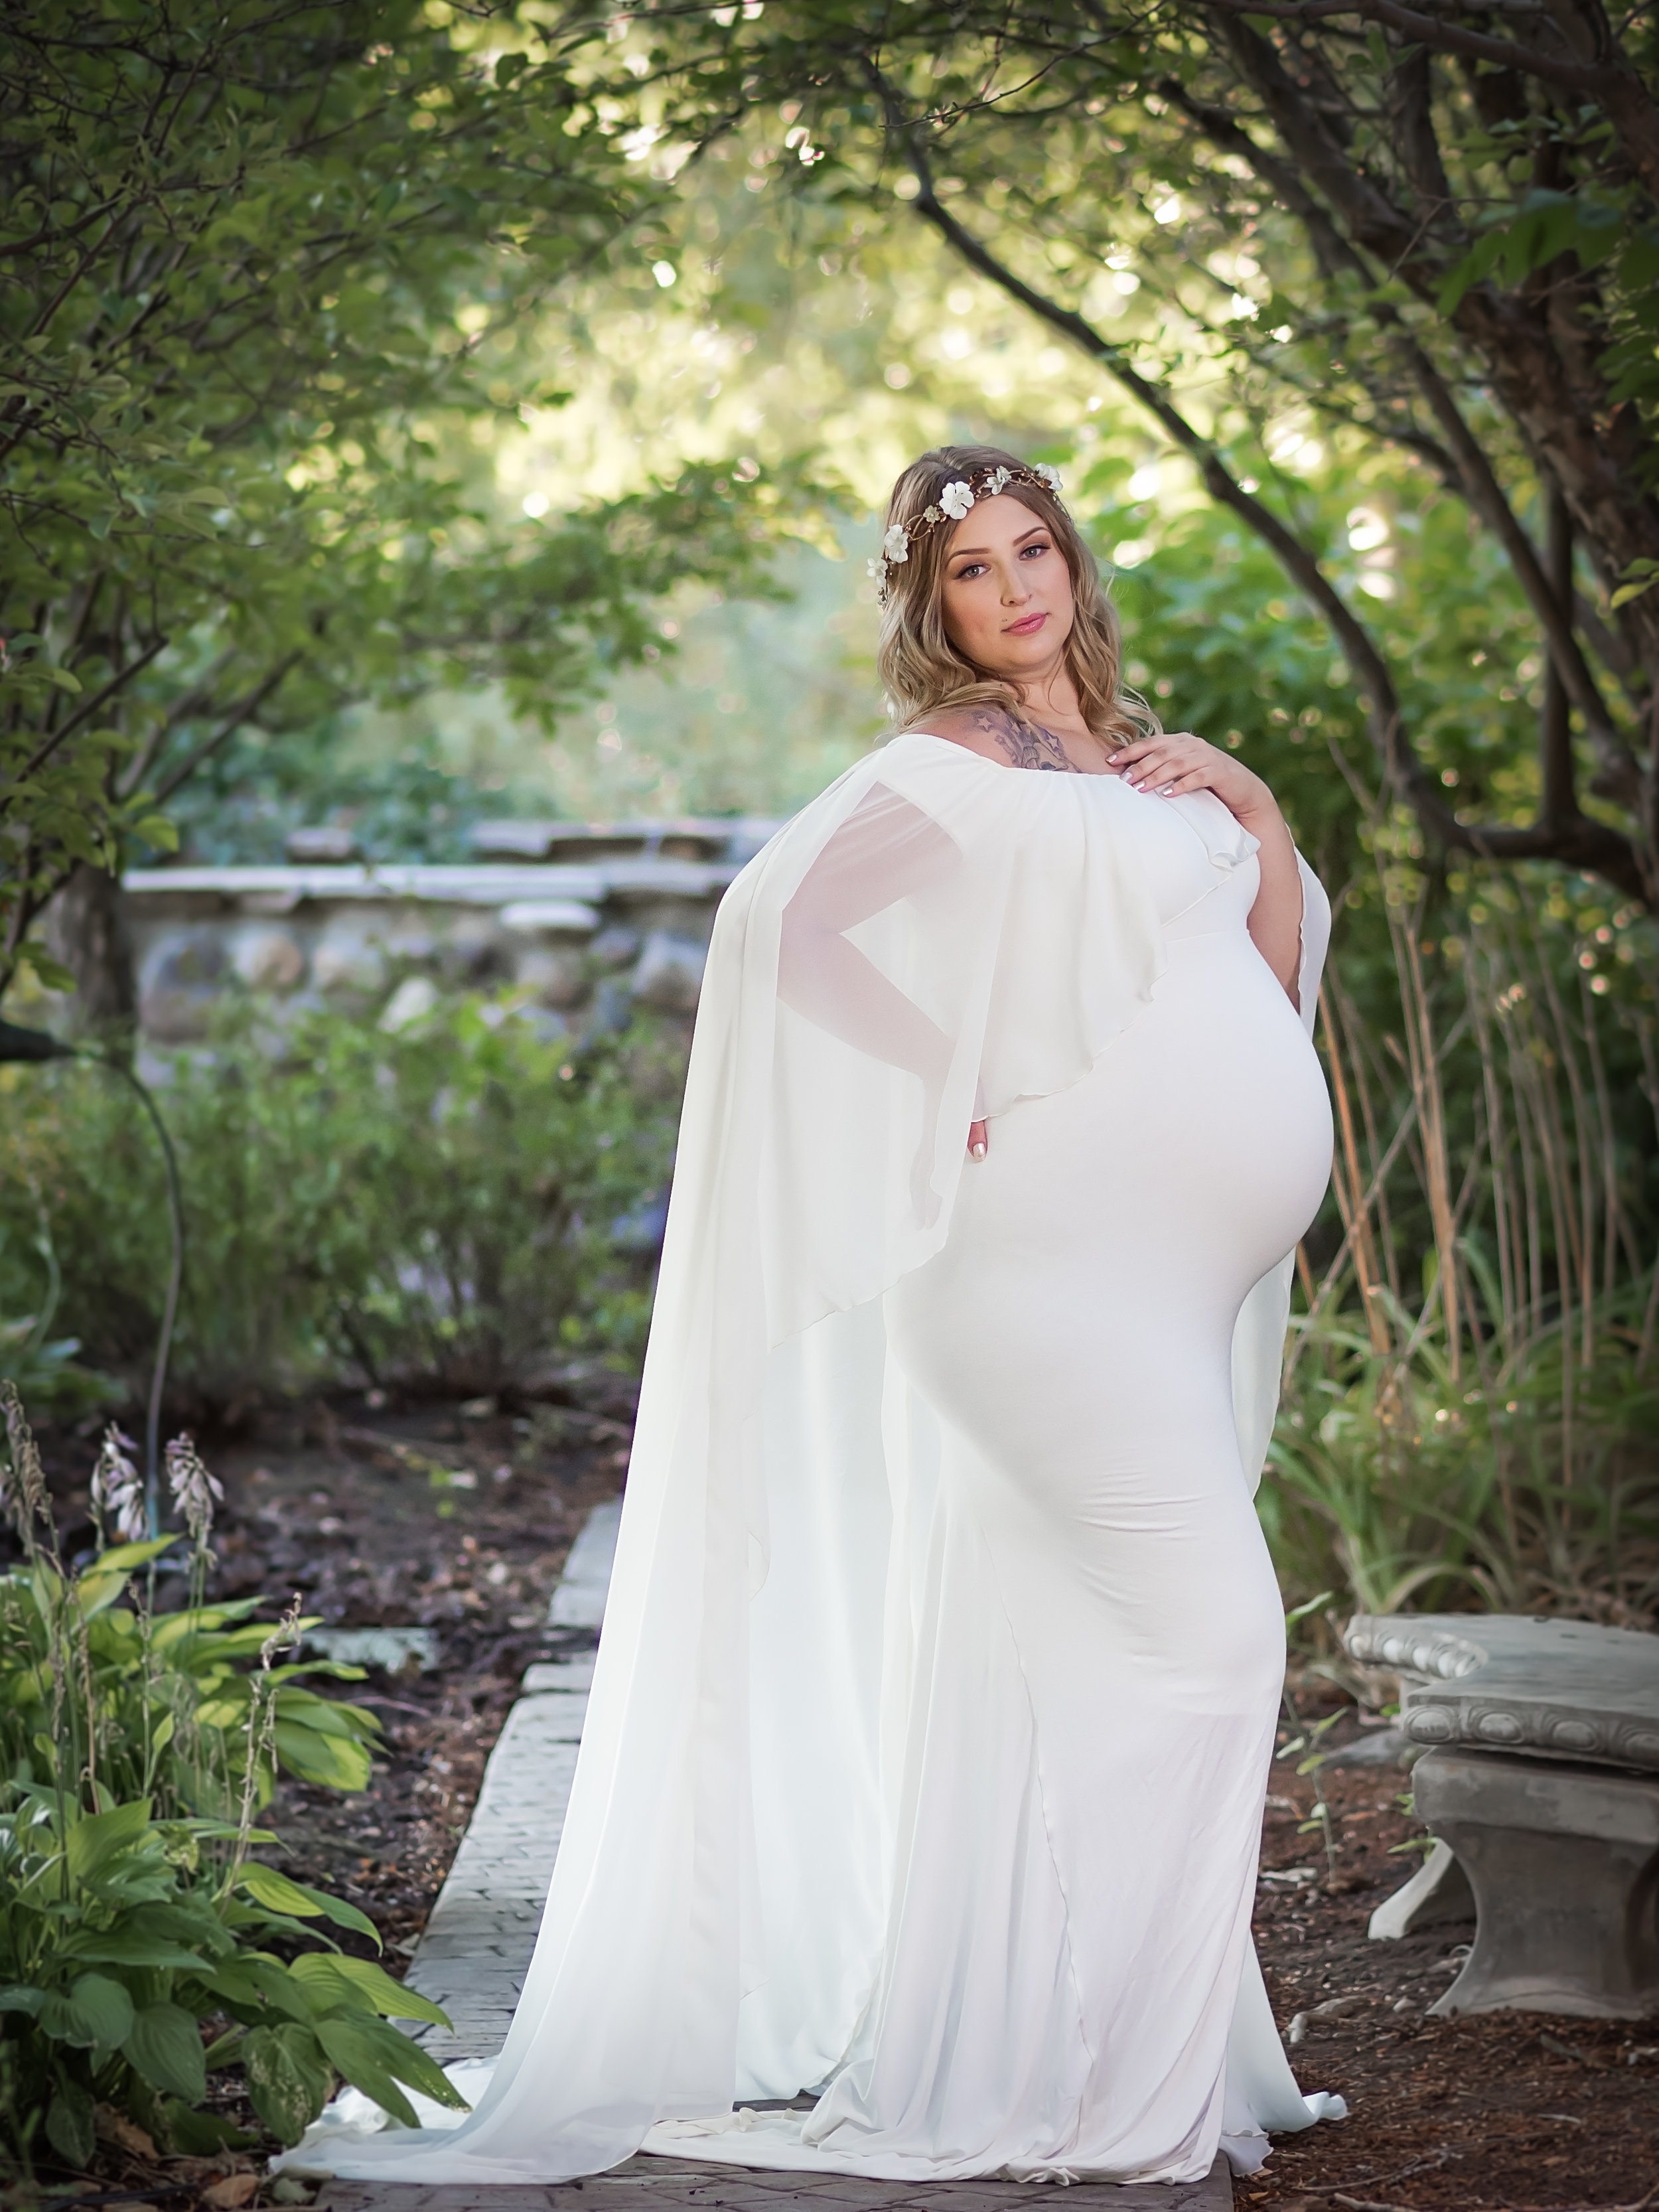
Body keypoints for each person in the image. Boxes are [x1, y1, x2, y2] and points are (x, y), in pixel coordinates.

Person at [291, 444, 1343, 2188]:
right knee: (1221, 1643)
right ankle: (1129, 2110)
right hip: (1039, 1286)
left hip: (1163, 1284)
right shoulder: (951, 763)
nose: (1014, 590)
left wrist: (1256, 817)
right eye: (971, 572)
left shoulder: (1138, 758)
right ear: (930, 608)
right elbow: (782, 927)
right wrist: (956, 1078)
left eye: (1031, 552)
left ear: (1071, 561)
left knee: (1052, 1678)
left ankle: (1047, 2056)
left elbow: (1263, 961)